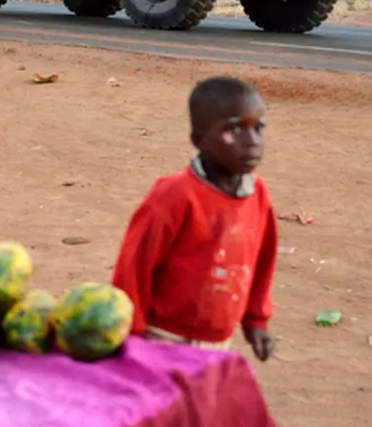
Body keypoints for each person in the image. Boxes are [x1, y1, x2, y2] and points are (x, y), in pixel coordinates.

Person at [111, 76, 277, 362]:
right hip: (163, 339)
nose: (252, 142)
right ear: (198, 139)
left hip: (218, 343)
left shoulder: (257, 194)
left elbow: (262, 259)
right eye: (234, 129)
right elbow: (134, 266)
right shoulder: (175, 196)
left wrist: (255, 321)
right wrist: (131, 337)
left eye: (258, 129)